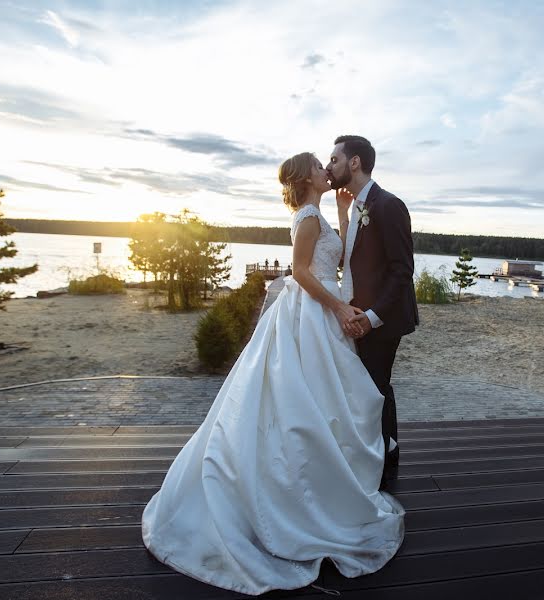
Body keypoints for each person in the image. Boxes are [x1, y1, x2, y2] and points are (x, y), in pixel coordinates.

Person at [141, 152, 405, 596]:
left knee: (327, 401)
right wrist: (339, 306)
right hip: (310, 317)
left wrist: (342, 216)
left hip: (319, 320)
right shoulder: (305, 218)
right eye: (321, 164)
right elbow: (301, 272)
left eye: (331, 161)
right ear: (305, 177)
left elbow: (332, 261)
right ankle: (288, 495)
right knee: (298, 402)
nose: (327, 168)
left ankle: (322, 487)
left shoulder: (317, 214)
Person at [327, 135, 418, 490]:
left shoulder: (387, 205)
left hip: (381, 319)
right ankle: (386, 450)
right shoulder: (356, 207)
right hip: (357, 316)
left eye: (334, 159)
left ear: (354, 163)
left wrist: (372, 316)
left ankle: (379, 467)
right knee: (374, 386)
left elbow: (402, 271)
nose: (329, 165)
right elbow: (351, 265)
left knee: (372, 386)